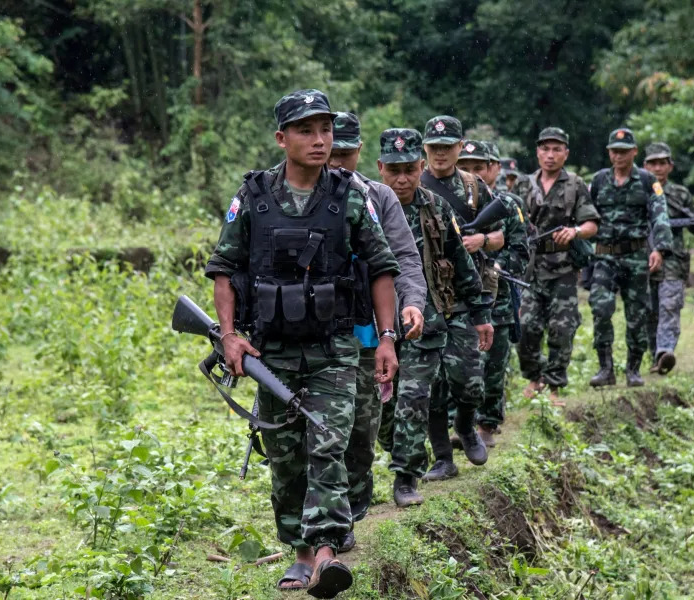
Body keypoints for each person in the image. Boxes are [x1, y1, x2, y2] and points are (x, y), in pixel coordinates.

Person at [203, 89, 400, 598]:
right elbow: (224, 270)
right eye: (307, 131)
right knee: (286, 456)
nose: (319, 140)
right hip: (271, 352)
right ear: (281, 137)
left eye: (326, 130)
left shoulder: (349, 194)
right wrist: (229, 336)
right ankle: (300, 551)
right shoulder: (253, 197)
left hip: (333, 349)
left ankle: (327, 553)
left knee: (328, 443)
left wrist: (386, 338)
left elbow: (381, 269)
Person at [327, 112, 427, 553]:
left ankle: (348, 510)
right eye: (332, 156)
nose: (337, 166)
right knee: (315, 431)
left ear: (358, 153)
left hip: (365, 332)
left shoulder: (377, 196)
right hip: (303, 336)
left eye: (346, 156)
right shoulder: (277, 194)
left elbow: (403, 258)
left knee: (360, 435)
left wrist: (411, 303)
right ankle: (325, 524)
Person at [374, 128, 488, 496]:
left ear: (420, 166)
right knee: (395, 406)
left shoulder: (435, 206)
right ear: (380, 168)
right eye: (394, 170)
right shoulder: (366, 207)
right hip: (380, 322)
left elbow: (459, 257)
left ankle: (453, 436)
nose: (403, 178)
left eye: (410, 168)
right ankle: (406, 469)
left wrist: (480, 311)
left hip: (435, 315)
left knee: (438, 390)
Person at [418, 115, 496, 480]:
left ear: (459, 147)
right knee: (432, 383)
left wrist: (482, 240)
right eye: (434, 148)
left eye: (447, 147)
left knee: (470, 380)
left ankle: (465, 427)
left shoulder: (474, 187)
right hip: (425, 296)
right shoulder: (413, 186)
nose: (440, 154)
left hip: (466, 292)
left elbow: (504, 232)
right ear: (425, 149)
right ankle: (443, 457)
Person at [456, 140, 530, 447]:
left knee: (495, 362)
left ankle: (487, 424)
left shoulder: (507, 204)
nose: (474, 174)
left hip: (496, 297)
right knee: (460, 363)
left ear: (493, 168)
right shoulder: (449, 202)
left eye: (479, 168)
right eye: (467, 168)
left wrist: (493, 260)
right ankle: (460, 423)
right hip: (460, 297)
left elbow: (521, 251)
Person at [586, 128, 673, 388]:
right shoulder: (599, 180)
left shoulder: (648, 181)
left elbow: (660, 215)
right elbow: (586, 215)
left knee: (637, 314)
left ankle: (633, 369)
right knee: (600, 309)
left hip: (636, 257)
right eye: (614, 151)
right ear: (609, 153)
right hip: (605, 257)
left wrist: (659, 248)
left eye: (624, 151)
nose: (619, 156)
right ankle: (605, 368)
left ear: (634, 152)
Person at [518, 127, 599, 401]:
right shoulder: (523, 184)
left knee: (561, 329)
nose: (550, 155)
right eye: (545, 149)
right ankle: (534, 376)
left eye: (556, 150)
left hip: (563, 269)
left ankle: (553, 385)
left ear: (566, 153)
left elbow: (592, 224)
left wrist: (575, 232)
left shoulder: (575, 184)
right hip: (530, 268)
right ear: (537, 152)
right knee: (526, 326)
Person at [642, 142, 694, 374]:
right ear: (644, 166)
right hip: (641, 259)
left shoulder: (679, 194)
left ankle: (664, 351)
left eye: (662, 163)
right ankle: (654, 357)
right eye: (652, 163)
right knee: (649, 311)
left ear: (670, 166)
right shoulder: (635, 190)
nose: (657, 168)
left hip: (672, 260)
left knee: (669, 305)